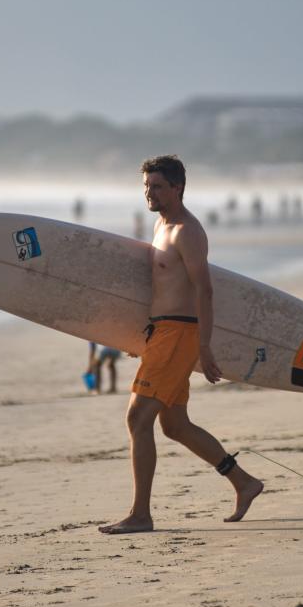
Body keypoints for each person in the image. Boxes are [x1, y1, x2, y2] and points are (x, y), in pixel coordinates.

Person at [99, 155, 263, 535]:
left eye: (157, 186)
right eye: (146, 186)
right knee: (174, 425)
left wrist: (204, 348)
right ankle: (244, 482)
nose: (149, 193)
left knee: (137, 418)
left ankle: (141, 514)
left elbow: (204, 289)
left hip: (180, 335)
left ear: (178, 188)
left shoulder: (187, 231)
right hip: (163, 334)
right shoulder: (161, 226)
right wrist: (140, 336)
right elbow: (161, 290)